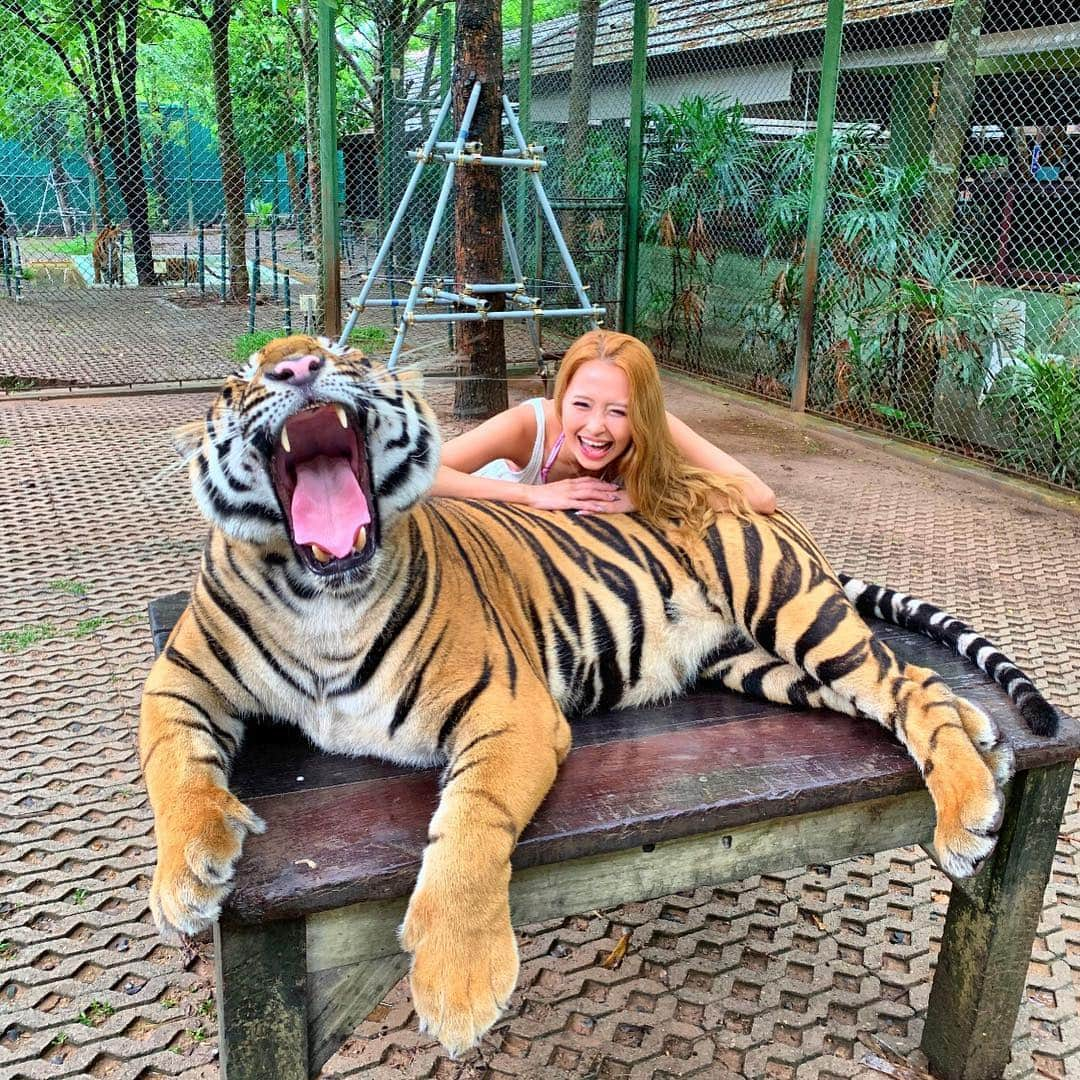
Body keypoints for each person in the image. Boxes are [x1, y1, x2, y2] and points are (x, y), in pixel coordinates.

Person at [431, 329, 777, 532]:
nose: (596, 427)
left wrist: (640, 499)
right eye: (581, 405)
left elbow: (760, 497)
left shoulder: (658, 426)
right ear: (562, 398)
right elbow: (420, 475)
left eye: (618, 412)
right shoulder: (528, 426)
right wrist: (534, 495)